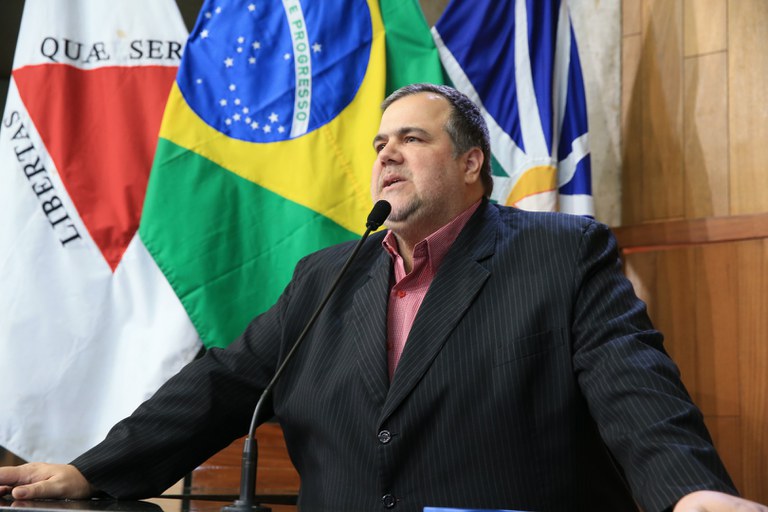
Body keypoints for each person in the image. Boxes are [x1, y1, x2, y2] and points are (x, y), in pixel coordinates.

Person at [1, 84, 766, 512]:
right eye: (378, 144)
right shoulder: (326, 276)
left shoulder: (562, 255)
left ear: (472, 164)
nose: (386, 153)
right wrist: (93, 470)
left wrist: (688, 492)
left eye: (412, 138)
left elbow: (633, 383)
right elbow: (223, 385)